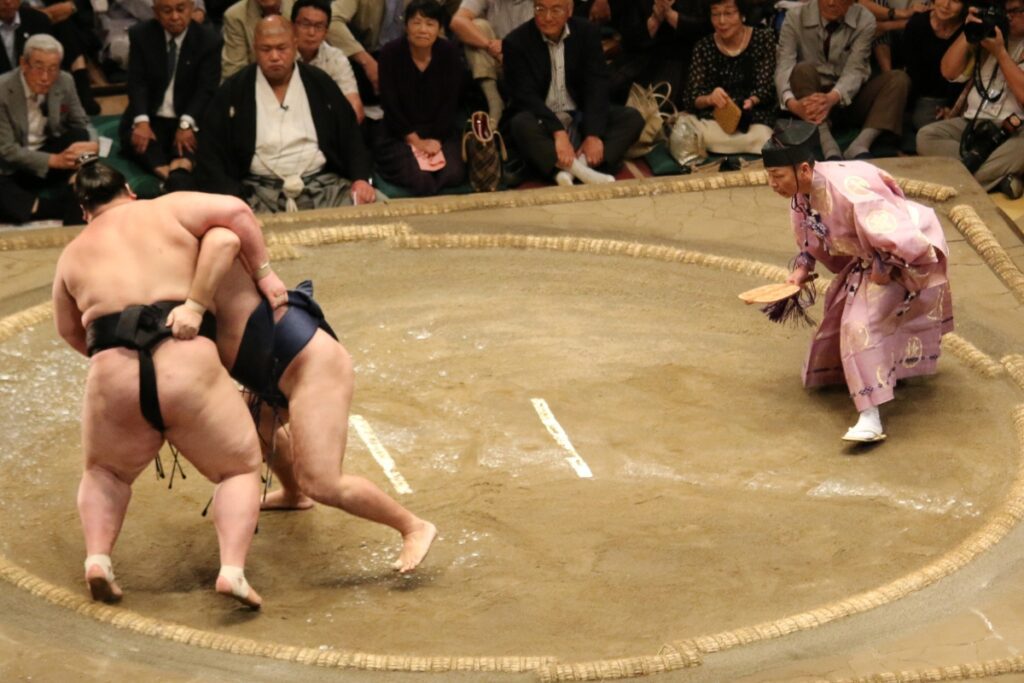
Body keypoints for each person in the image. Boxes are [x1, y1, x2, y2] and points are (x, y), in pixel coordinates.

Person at [51, 160, 289, 607]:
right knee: (238, 467)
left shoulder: (71, 254)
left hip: (112, 370)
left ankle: (98, 560)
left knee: (105, 472)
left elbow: (69, 330)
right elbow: (237, 212)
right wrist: (263, 273)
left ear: (84, 211)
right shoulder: (168, 208)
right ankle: (232, 571)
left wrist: (119, 360)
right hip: (186, 357)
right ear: (129, 189)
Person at [177, 239, 438, 573]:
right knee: (252, 417)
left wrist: (196, 305)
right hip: (269, 371)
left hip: (310, 364)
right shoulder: (158, 266)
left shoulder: (200, 241)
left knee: (322, 482)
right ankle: (293, 495)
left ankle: (413, 527)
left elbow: (225, 239)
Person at [762, 120, 953, 442]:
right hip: (867, 258)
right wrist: (800, 271)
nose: (772, 184)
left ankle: (871, 416)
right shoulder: (801, 198)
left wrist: (883, 269)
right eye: (769, 176)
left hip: (906, 251)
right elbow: (811, 244)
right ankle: (886, 374)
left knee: (860, 325)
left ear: (804, 169)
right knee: (842, 315)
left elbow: (897, 233)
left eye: (777, 176)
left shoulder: (848, 189)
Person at [196, 15, 376, 212]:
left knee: (377, 211)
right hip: (257, 193)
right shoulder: (234, 90)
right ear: (255, 48)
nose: (274, 56)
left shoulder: (319, 82)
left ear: (295, 45)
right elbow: (210, 150)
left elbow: (351, 134)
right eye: (266, 49)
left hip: (323, 188)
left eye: (281, 48)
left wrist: (360, 179)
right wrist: (233, 196)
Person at [503, 0, 645, 186]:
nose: (547, 17)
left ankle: (572, 170)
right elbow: (524, 96)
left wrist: (593, 134)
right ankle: (580, 171)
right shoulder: (516, 42)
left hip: (579, 117)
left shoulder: (587, 33)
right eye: (540, 9)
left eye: (555, 10)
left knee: (632, 118)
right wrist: (558, 132)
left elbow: (597, 84)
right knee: (520, 123)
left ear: (569, 10)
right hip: (542, 120)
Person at [774, 0, 910, 160]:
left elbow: (856, 69)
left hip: (849, 97)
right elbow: (784, 66)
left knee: (898, 79)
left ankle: (860, 145)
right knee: (801, 70)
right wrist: (793, 105)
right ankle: (828, 146)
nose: (831, 3)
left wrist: (832, 97)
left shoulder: (865, 19)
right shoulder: (794, 17)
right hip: (810, 96)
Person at [916, 0, 1024, 199]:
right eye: (1005, 11)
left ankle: (954, 184)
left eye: (1015, 11)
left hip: (1014, 130)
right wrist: (970, 30)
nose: (1008, 16)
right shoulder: (988, 34)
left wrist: (1000, 53)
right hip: (973, 124)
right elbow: (948, 71)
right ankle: (998, 177)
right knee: (926, 136)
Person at [120, 0, 221, 190]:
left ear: (191, 9)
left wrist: (186, 123)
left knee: (189, 154)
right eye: (167, 11)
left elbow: (206, 89)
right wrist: (141, 121)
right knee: (140, 142)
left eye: (181, 9)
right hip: (150, 118)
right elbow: (137, 82)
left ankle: (177, 176)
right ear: (156, 13)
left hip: (189, 118)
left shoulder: (209, 40)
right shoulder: (141, 35)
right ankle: (172, 178)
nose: (175, 17)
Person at [0, 33, 95, 225]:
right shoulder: (2, 89)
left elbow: (82, 123)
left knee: (81, 138)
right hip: (12, 167)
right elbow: (6, 150)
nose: (46, 77)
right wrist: (54, 160)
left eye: (53, 69)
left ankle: (76, 187)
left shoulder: (65, 80)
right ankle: (64, 206)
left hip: (50, 154)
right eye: (39, 68)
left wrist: (93, 145)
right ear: (24, 64)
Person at [376, 0, 464, 195]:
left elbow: (450, 103)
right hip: (399, 132)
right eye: (416, 23)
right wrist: (414, 140)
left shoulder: (449, 53)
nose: (423, 30)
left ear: (439, 28)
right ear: (406, 26)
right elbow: (390, 104)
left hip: (439, 130)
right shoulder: (390, 53)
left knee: (453, 174)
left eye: (430, 24)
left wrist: (436, 139)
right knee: (420, 180)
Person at [681, 0, 775, 157]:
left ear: (742, 15)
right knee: (694, 131)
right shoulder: (703, 47)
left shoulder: (763, 39)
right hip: (715, 120)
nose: (722, 21)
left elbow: (767, 88)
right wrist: (710, 99)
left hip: (752, 120)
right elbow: (691, 98)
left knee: (764, 138)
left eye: (729, 13)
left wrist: (752, 100)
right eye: (716, 14)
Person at [448, 0, 533, 123]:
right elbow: (457, 22)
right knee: (478, 26)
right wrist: (490, 46)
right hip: (498, 61)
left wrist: (510, 51)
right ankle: (494, 102)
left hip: (529, 64)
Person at [291, 0, 363, 122]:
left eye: (319, 26)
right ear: (292, 27)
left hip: (327, 128)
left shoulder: (336, 58)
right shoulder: (281, 56)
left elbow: (355, 108)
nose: (311, 32)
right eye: (305, 24)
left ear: (326, 32)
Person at [901, 0, 965, 134]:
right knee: (925, 123)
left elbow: (966, 75)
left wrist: (952, 106)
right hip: (925, 95)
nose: (946, 5)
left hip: (958, 97)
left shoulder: (967, 30)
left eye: (955, 1)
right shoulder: (917, 24)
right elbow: (913, 72)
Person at [221, 0, 294, 80]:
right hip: (255, 83)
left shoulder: (301, 7)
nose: (274, 57)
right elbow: (233, 71)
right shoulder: (236, 15)